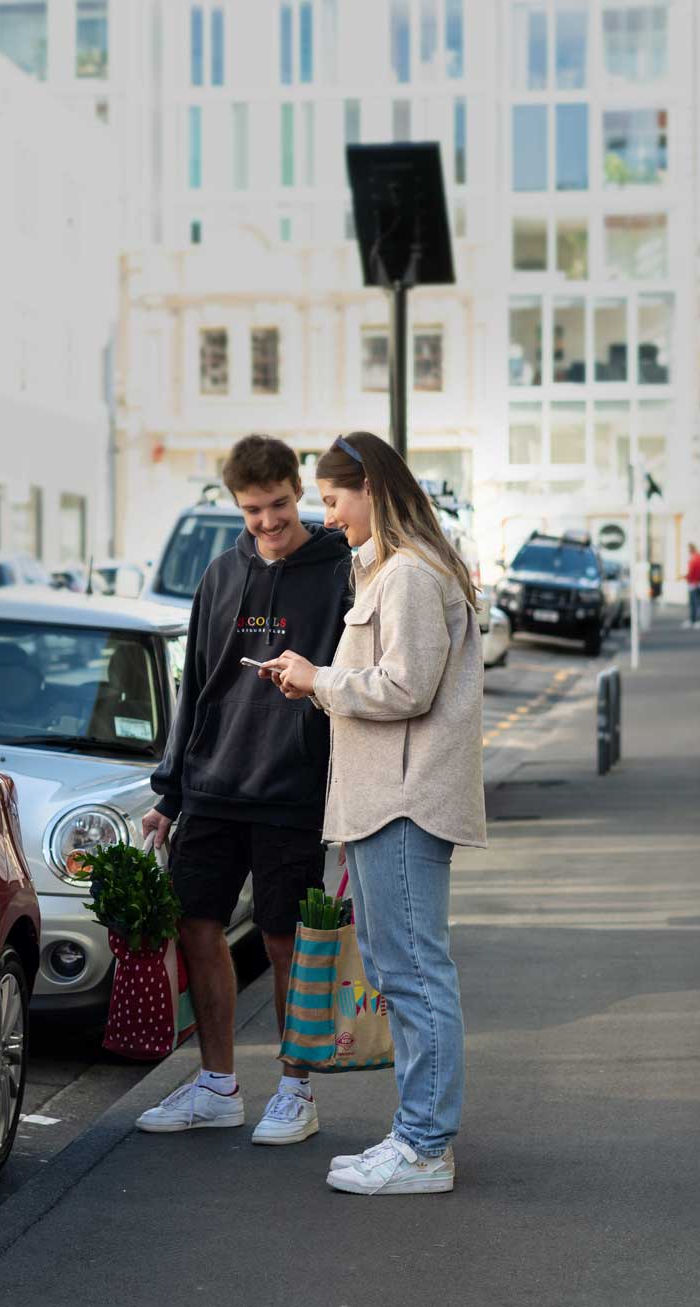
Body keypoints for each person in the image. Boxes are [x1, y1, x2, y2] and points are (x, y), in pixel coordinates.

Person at [263, 430, 482, 1196]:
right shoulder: (392, 572)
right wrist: (320, 682)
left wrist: (320, 680)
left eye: (333, 500)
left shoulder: (411, 577)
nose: (328, 517)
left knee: (414, 975)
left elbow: (406, 686)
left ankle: (424, 1146)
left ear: (372, 492)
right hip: (386, 801)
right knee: (405, 971)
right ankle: (417, 1136)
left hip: (402, 802)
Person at [137, 434, 353, 1146]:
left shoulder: (338, 570)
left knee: (285, 939)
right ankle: (217, 1086)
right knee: (196, 925)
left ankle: (296, 1090)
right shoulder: (219, 575)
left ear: (299, 491)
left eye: (280, 505)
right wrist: (169, 794)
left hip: (291, 786)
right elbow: (193, 686)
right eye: (254, 510)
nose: (268, 522)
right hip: (211, 784)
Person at [683, 544, 700, 629]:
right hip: (695, 583)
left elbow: (697, 571)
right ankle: (693, 620)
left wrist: (695, 580)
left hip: (695, 583)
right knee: (694, 602)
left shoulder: (696, 558)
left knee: (697, 602)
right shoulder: (698, 557)